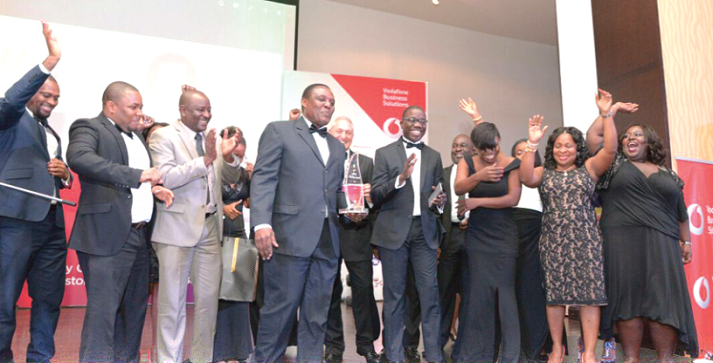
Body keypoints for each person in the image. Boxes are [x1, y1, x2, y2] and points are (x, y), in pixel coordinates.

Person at [67, 81, 173, 362]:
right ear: (111, 106)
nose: (140, 112)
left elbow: (139, 182)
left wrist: (154, 189)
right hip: (106, 235)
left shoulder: (137, 137)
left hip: (139, 236)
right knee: (104, 313)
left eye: (141, 106)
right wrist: (137, 175)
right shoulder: (89, 127)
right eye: (133, 106)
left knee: (133, 311)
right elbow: (79, 158)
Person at [586, 107, 699, 362]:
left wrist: (687, 240)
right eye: (625, 136)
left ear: (649, 140)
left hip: (663, 242)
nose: (629, 138)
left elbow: (681, 212)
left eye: (636, 134)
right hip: (621, 241)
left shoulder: (669, 173)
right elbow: (593, 137)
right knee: (628, 299)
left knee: (664, 300)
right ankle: (631, 358)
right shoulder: (613, 164)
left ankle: (665, 358)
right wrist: (609, 112)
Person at [250, 84, 350, 363]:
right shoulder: (279, 131)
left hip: (327, 241)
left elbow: (335, 192)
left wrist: (353, 208)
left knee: (316, 316)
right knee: (278, 313)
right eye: (322, 99)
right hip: (288, 238)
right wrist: (261, 224)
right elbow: (263, 179)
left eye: (332, 101)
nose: (328, 105)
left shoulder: (337, 146)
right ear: (304, 102)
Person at [519, 89, 616, 363]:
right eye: (558, 145)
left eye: (569, 145)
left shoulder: (590, 168)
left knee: (590, 296)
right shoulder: (545, 172)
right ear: (552, 148)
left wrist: (606, 114)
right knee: (555, 297)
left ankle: (588, 352)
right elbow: (526, 176)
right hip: (553, 240)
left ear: (577, 148)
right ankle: (558, 348)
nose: (563, 150)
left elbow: (610, 149)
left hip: (585, 239)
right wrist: (531, 142)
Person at [148, 88, 241, 363]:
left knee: (207, 304)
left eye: (209, 109)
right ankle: (169, 360)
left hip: (211, 227)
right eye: (200, 110)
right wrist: (206, 160)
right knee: (172, 304)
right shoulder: (163, 136)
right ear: (183, 110)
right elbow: (165, 178)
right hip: (176, 229)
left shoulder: (210, 139)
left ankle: (201, 359)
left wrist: (224, 158)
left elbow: (218, 179)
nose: (207, 115)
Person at [0, 20, 71, 363]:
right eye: (46, 94)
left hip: (52, 226)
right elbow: (10, 100)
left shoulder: (52, 133)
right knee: (4, 300)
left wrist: (66, 173)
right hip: (15, 221)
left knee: (48, 300)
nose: (52, 101)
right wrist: (50, 61)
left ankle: (40, 358)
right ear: (32, 92)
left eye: (56, 97)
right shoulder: (10, 119)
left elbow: (56, 172)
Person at [370, 105, 446, 363]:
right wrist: (401, 178)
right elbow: (377, 193)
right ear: (401, 123)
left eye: (422, 121)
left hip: (424, 233)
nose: (418, 124)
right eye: (412, 120)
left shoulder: (435, 156)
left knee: (430, 295)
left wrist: (440, 201)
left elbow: (438, 194)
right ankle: (393, 356)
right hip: (393, 233)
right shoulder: (384, 154)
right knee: (394, 297)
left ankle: (434, 356)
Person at [452, 122, 522, 363]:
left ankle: (509, 354)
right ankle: (475, 355)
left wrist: (478, 202)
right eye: (484, 150)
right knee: (478, 294)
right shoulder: (468, 162)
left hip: (504, 237)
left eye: (493, 147)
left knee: (505, 293)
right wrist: (480, 175)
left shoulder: (512, 163)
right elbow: (459, 186)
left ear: (498, 140)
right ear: (477, 148)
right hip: (478, 238)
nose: (489, 153)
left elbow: (513, 198)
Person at [323, 116, 381, 363]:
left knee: (364, 291)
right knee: (330, 291)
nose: (344, 136)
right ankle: (334, 347)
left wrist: (369, 197)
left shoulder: (365, 163)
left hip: (359, 233)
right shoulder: (321, 162)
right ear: (330, 133)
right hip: (329, 232)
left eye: (349, 132)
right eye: (340, 132)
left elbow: (378, 200)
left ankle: (367, 346)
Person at [212, 126, 254, 363]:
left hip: (240, 238)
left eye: (240, 154)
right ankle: (218, 352)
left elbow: (248, 203)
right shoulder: (213, 169)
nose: (236, 158)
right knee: (218, 297)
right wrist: (222, 207)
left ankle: (238, 352)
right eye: (232, 154)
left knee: (238, 297)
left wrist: (255, 176)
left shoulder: (245, 173)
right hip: (215, 238)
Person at [437, 133, 472, 350]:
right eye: (454, 145)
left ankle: (466, 342)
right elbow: (434, 208)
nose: (458, 148)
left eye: (463, 145)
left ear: (472, 149)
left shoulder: (478, 173)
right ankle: (438, 342)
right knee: (444, 292)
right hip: (449, 237)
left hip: (473, 237)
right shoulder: (442, 174)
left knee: (469, 292)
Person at [139, 120, 169, 363]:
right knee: (137, 297)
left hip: (166, 235)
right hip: (140, 233)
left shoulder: (173, 166)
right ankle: (132, 349)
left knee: (161, 299)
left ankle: (157, 351)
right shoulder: (140, 164)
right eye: (153, 139)